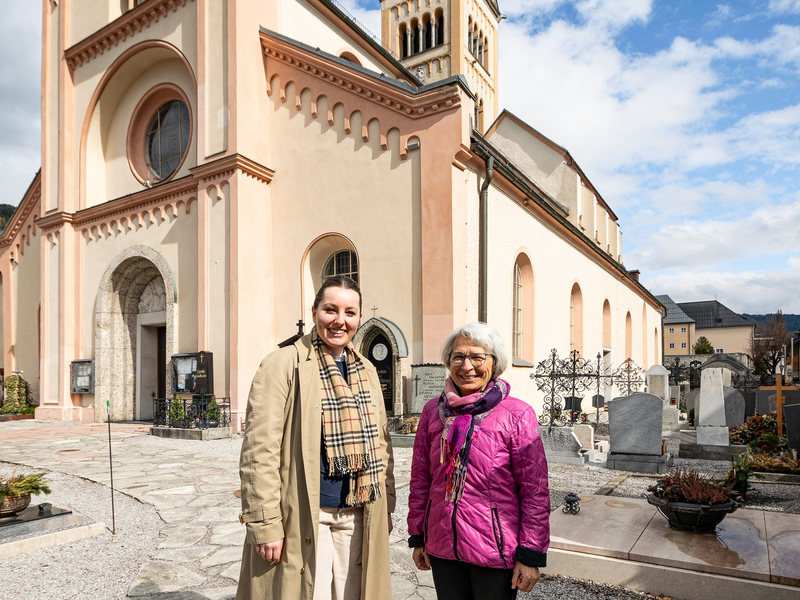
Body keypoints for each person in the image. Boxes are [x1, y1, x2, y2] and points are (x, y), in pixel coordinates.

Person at [236, 275, 395, 600]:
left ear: (359, 318)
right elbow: (259, 451)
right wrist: (265, 524)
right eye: (330, 310)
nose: (340, 320)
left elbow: (382, 443)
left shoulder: (365, 370)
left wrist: (386, 505)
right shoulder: (282, 365)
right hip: (304, 517)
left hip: (358, 513)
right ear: (314, 311)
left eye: (350, 313)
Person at [407, 322, 550, 600]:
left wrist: (531, 554)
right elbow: (421, 478)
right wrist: (418, 536)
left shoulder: (517, 415)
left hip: (495, 550)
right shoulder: (432, 412)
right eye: (458, 357)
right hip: (442, 545)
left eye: (477, 357)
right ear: (449, 362)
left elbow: (534, 490)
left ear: (494, 363)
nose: (467, 366)